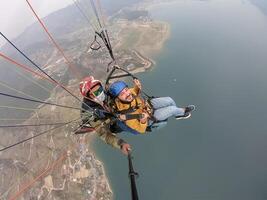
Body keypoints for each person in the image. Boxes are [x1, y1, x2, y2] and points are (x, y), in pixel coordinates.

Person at [108, 79, 195, 134]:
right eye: (122, 94)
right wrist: (143, 120)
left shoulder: (129, 93)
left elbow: (134, 91)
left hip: (147, 105)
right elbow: (140, 130)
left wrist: (137, 86)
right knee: (172, 109)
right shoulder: (126, 117)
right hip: (149, 118)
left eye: (126, 90)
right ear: (117, 99)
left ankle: (178, 114)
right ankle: (182, 112)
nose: (127, 93)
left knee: (170, 100)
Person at [79, 76, 131, 154]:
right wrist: (120, 144)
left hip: (113, 112)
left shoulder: (106, 93)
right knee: (121, 124)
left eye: (100, 90)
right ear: (89, 97)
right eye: (95, 93)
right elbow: (104, 134)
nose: (99, 93)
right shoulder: (89, 112)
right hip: (110, 123)